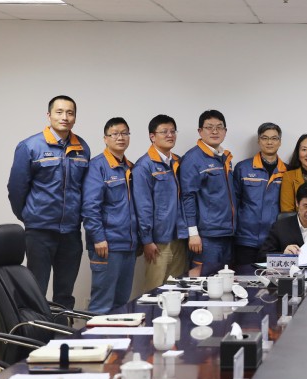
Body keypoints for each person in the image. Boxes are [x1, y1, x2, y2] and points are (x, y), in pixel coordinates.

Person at [7, 95, 90, 309]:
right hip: (40, 232)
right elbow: (16, 189)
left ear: (75, 117)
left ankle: (62, 329)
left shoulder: (82, 148)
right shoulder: (29, 146)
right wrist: (29, 216)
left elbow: (84, 189)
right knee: (36, 292)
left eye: (70, 113)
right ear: (49, 115)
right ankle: (35, 330)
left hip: (70, 232)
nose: (65, 117)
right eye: (59, 112)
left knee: (65, 294)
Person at [81, 117, 137, 314]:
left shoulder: (130, 167)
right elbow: (90, 207)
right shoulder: (97, 167)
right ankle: (93, 335)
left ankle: (116, 336)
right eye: (115, 134)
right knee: (102, 304)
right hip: (107, 245)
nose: (120, 137)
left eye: (124, 133)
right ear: (105, 138)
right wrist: (98, 238)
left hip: (129, 245)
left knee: (121, 302)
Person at [133, 114, 188, 291]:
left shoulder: (178, 162)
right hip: (158, 242)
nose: (170, 135)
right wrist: (147, 240)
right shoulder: (144, 166)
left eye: (173, 131)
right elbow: (143, 206)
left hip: (179, 238)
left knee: (177, 291)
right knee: (154, 291)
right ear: (152, 136)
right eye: (164, 131)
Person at [180, 110, 236, 277]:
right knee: (204, 283)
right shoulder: (193, 158)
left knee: (224, 283)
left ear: (225, 131)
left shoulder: (225, 157)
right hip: (206, 237)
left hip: (227, 233)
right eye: (209, 127)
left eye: (219, 127)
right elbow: (187, 197)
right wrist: (193, 234)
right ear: (200, 131)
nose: (214, 131)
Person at [233, 122, 288, 270]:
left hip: (275, 241)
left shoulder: (288, 172)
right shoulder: (243, 168)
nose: (269, 142)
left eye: (274, 138)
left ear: (280, 142)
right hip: (246, 240)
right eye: (265, 138)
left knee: (274, 280)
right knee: (244, 278)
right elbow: (234, 203)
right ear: (258, 141)